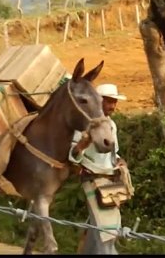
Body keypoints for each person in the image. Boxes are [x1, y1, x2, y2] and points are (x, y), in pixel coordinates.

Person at [69, 83, 132, 254]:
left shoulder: (111, 125)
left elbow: (114, 153)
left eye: (114, 102)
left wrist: (121, 162)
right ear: (99, 102)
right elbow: (73, 156)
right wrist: (84, 143)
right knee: (106, 229)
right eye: (109, 101)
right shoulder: (84, 124)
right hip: (92, 179)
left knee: (110, 225)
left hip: (111, 180)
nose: (112, 106)